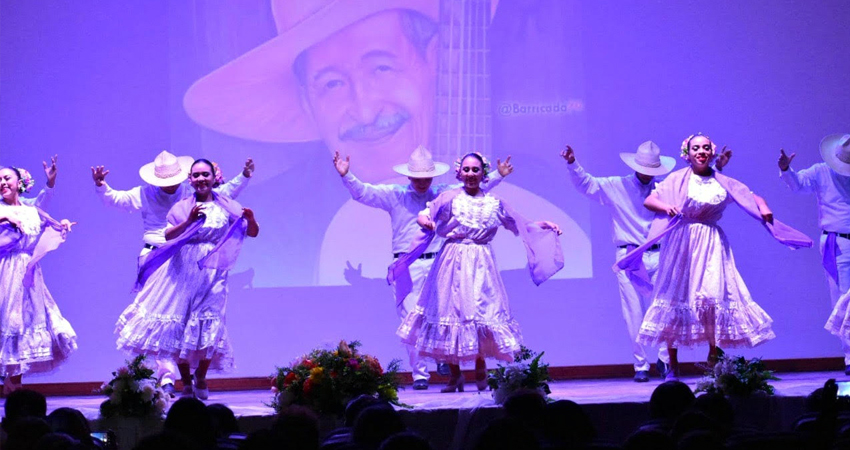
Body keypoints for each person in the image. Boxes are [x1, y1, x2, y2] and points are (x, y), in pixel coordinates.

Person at [617, 133, 812, 381]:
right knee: (675, 298)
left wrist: (763, 207)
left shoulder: (722, 181)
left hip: (711, 242)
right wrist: (667, 207)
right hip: (682, 242)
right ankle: (673, 365)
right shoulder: (677, 179)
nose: (701, 151)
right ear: (686, 154)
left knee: (711, 297)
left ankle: (713, 356)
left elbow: (749, 195)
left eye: (705, 148)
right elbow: (650, 200)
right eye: (695, 148)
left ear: (712, 152)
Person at [333, 145, 512, 390]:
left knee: (444, 316)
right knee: (411, 319)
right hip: (407, 264)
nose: (422, 182)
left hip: (440, 262)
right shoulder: (395, 195)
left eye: (426, 178)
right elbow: (364, 193)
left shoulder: (444, 194)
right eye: (417, 178)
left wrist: (498, 174)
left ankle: (443, 360)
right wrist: (346, 175)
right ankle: (419, 374)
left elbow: (474, 188)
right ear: (409, 176)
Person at [391, 153, 563, 392]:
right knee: (450, 311)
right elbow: (426, 213)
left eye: (475, 170)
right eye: (467, 170)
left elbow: (518, 224)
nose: (471, 174)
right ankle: (455, 375)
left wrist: (544, 225)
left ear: (483, 174)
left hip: (481, 262)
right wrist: (425, 221)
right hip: (452, 259)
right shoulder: (449, 197)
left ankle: (480, 367)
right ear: (459, 173)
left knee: (480, 311)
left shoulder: (494, 202)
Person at [93, 151, 253, 393]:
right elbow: (119, 199)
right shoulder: (145, 193)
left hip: (191, 256)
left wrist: (244, 176)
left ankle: (188, 377)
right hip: (157, 255)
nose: (169, 184)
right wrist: (102, 186)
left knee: (194, 316)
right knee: (166, 314)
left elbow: (224, 195)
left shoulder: (190, 191)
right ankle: (167, 377)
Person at [0, 167, 77, 394]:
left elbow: (47, 221)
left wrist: (62, 224)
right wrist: (5, 216)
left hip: (27, 273)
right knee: (8, 320)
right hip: (4, 269)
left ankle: (14, 385)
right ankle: (11, 384)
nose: (2, 183)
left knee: (22, 323)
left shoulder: (31, 210)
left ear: (20, 182)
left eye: (7, 178)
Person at [779, 134, 850, 373]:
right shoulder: (821, 171)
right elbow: (799, 184)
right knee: (843, 298)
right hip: (838, 241)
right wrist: (786, 169)